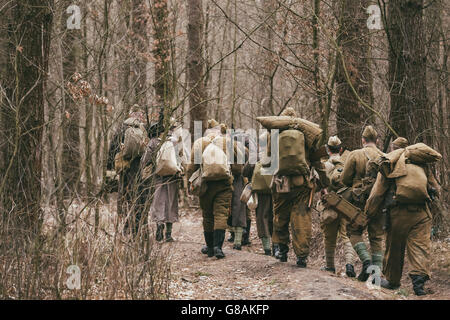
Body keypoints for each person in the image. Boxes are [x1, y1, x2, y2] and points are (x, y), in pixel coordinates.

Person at [271, 108, 329, 267]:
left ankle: (281, 251)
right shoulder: (306, 136)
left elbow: (268, 161)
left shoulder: (275, 136)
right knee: (301, 217)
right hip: (301, 182)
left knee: (280, 214)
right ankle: (301, 257)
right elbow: (317, 161)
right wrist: (324, 184)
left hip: (281, 182)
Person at [187, 120, 236, 259]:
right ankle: (218, 247)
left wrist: (189, 184)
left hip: (205, 185)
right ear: (219, 130)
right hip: (224, 185)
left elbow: (192, 167)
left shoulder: (200, 143)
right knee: (221, 214)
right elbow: (238, 167)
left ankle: (209, 248)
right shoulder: (227, 143)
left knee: (207, 215)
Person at [341, 125, 385, 281]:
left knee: (353, 232)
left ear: (363, 140)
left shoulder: (355, 154)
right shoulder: (384, 156)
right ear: (377, 140)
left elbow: (344, 179)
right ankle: (376, 274)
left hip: (359, 202)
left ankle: (366, 261)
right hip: (378, 201)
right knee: (376, 236)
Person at [107, 105, 148, 233]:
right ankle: (138, 227)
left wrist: (110, 171)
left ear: (130, 114)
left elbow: (112, 149)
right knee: (138, 196)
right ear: (139, 115)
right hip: (138, 168)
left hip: (124, 167)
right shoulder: (142, 129)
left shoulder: (121, 128)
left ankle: (126, 227)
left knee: (124, 196)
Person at [320, 136, 356, 277]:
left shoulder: (325, 165)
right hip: (346, 205)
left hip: (330, 205)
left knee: (329, 236)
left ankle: (330, 266)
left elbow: (319, 184)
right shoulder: (347, 163)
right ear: (341, 149)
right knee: (346, 236)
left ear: (328, 150)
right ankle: (349, 265)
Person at [142, 120, 182, 242]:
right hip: (173, 177)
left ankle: (159, 228)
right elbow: (180, 158)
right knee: (171, 203)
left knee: (159, 202)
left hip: (158, 177)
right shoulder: (175, 141)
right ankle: (169, 234)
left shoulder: (153, 142)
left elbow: (145, 160)